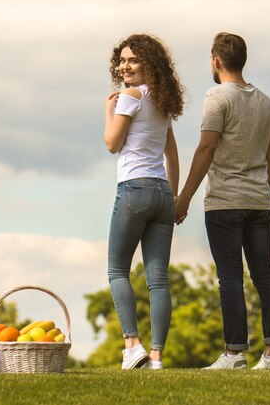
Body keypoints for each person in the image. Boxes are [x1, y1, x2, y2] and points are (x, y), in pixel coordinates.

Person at [175, 32, 270, 370]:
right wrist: (260, 192)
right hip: (259, 201)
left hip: (224, 202)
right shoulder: (267, 103)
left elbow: (206, 148)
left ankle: (235, 353)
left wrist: (184, 197)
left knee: (230, 277)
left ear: (216, 61)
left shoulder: (216, 97)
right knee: (265, 275)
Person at [104, 33, 184, 370]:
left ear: (148, 64)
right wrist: (175, 197)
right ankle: (155, 357)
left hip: (134, 189)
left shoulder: (130, 97)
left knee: (118, 269)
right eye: (122, 61)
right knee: (158, 279)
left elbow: (111, 143)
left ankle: (132, 345)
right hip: (162, 192)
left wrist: (109, 109)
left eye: (132, 60)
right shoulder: (162, 102)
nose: (125, 66)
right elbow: (172, 153)